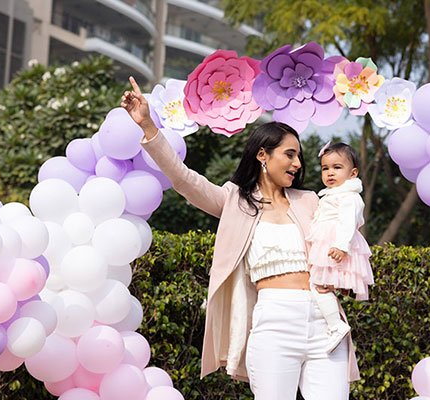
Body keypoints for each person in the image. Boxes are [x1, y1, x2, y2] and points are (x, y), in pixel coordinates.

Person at [121, 77, 359, 400]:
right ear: (263, 155)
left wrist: (343, 275)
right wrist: (148, 126)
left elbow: (346, 235)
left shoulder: (311, 201)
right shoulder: (235, 201)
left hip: (324, 325)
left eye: (299, 157)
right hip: (274, 322)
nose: (298, 164)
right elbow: (184, 179)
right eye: (289, 154)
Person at [307, 142, 373, 353]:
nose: (330, 173)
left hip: (335, 245)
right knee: (320, 285)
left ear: (352, 173)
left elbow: (348, 222)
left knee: (317, 284)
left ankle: (335, 324)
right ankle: (332, 323)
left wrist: (341, 246)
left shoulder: (349, 196)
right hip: (331, 244)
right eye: (325, 168)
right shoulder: (334, 193)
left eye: (337, 167)